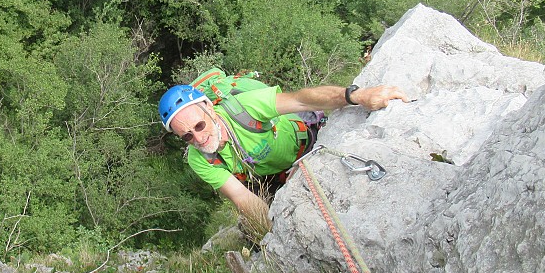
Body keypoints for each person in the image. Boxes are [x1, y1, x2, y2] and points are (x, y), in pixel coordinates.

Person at [159, 81, 409, 229]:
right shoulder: (199, 158)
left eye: (199, 126)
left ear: (209, 108)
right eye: (188, 136)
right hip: (275, 178)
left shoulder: (244, 108)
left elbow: (301, 101)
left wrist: (355, 96)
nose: (199, 138)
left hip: (306, 146)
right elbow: (242, 198)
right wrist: (274, 233)